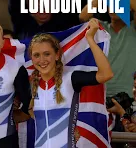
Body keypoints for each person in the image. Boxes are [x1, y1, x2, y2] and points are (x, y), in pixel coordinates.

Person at [24, 18, 113, 147]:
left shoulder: (71, 79)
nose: (42, 60)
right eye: (36, 55)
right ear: (31, 58)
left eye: (47, 54)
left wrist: (90, 39)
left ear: (57, 55)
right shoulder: (32, 84)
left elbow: (106, 74)